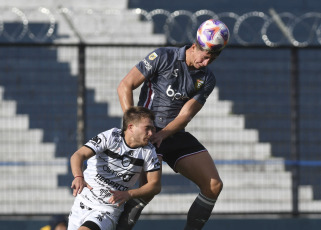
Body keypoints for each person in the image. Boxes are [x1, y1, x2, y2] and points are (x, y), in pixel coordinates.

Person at [117, 19, 230, 230]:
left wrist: (164, 134)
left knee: (214, 185)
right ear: (195, 46)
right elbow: (125, 85)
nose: (206, 63)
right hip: (148, 133)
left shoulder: (207, 78)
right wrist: (132, 126)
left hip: (172, 133)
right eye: (205, 57)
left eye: (212, 59)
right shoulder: (163, 56)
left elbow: (186, 115)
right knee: (150, 189)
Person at [67, 106, 161, 230]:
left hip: (107, 210)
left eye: (152, 129)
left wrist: (129, 194)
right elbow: (78, 155)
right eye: (147, 129)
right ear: (131, 127)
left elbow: (155, 185)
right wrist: (78, 176)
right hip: (82, 203)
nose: (151, 134)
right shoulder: (111, 137)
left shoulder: (149, 151)